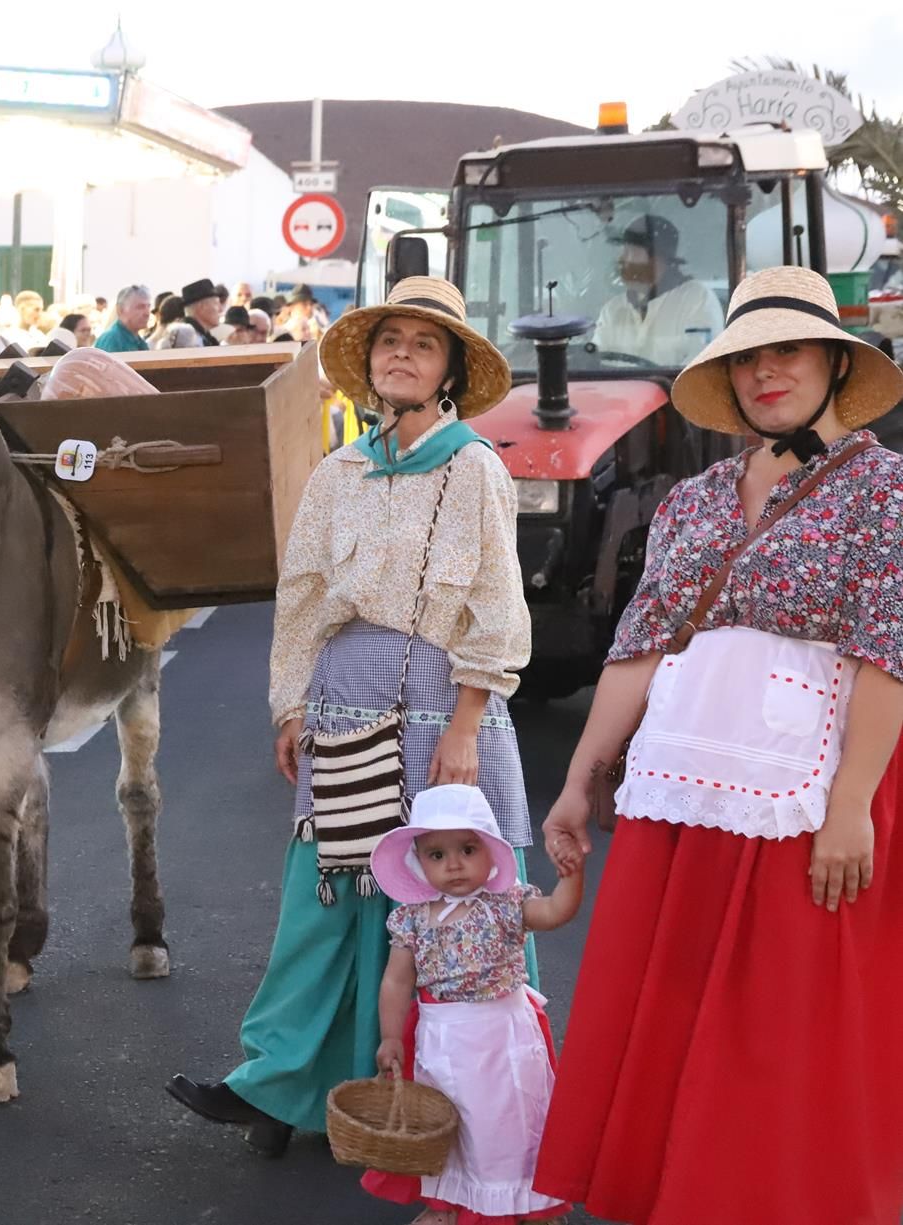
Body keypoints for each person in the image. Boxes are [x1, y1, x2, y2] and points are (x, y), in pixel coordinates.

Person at [533, 266, 903, 1225]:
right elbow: (639, 647)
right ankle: (686, 1193)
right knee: (680, 999)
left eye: (785, 350)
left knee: (787, 1014)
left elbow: (885, 656)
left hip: (814, 784)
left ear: (832, 361)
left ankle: (782, 1198)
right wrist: (579, 781)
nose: (764, 372)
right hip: (688, 788)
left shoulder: (882, 490)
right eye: (744, 356)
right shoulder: (695, 498)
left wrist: (852, 803)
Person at [167, 276, 530, 1156]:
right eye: (388, 339)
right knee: (320, 903)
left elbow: (495, 599)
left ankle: (448, 1109)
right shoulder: (338, 471)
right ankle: (277, 1085)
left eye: (423, 342)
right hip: (340, 705)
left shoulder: (474, 466)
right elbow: (300, 598)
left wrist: (462, 722)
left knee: (442, 911)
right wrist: (289, 705)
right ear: (368, 363)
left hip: (444, 708)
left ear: (448, 371)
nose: (401, 352)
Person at [362, 785, 579, 1224]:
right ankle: (447, 1203)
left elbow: (556, 911)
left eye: (466, 849)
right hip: (444, 1041)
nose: (454, 864)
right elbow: (396, 980)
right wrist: (389, 1035)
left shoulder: (507, 905)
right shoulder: (411, 918)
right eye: (436, 855)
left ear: (492, 852)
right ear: (418, 861)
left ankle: (527, 1201)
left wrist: (572, 874)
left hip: (502, 1037)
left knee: (511, 1122)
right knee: (449, 1122)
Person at [591, 215, 725, 368]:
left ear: (657, 259)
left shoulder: (697, 299)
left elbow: (700, 369)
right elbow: (595, 364)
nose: (622, 259)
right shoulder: (612, 310)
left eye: (631, 252)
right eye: (623, 251)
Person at [96, 285, 152, 353]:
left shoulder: (138, 341)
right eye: (140, 307)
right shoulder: (112, 340)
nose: (147, 313)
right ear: (120, 310)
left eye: (148, 306)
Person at [179, 279, 221, 347]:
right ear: (201, 307)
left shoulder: (200, 337)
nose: (221, 309)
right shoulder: (189, 339)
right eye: (216, 303)